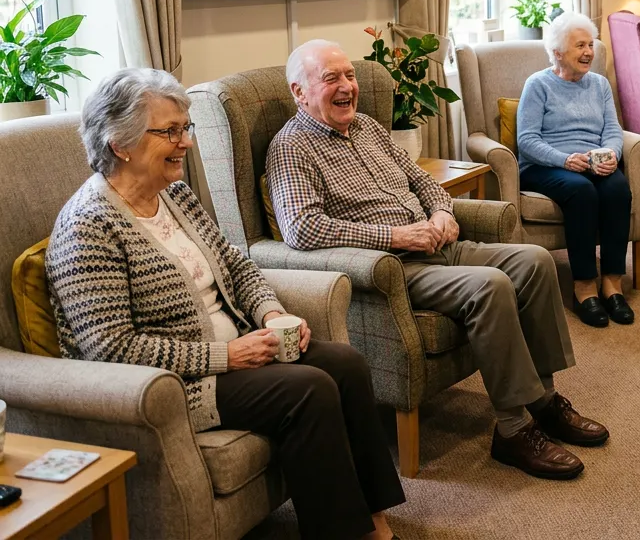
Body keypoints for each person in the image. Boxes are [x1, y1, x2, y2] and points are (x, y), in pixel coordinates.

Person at [45, 68, 403, 540]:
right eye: (170, 131)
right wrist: (226, 357)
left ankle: (375, 519)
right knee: (309, 389)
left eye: (184, 129)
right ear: (120, 144)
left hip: (239, 346)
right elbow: (111, 349)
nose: (185, 143)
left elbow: (236, 266)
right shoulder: (88, 226)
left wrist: (271, 313)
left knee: (347, 363)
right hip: (182, 384)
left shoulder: (173, 194)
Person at [266, 40, 607, 481]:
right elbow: (302, 228)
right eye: (332, 79)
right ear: (300, 91)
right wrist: (394, 235)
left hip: (441, 245)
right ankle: (513, 428)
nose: (348, 86)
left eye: (349, 75)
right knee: (491, 285)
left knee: (535, 261)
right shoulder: (292, 148)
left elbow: (423, 181)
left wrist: (442, 212)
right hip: (394, 268)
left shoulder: (368, 127)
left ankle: (543, 400)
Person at [518, 12, 634, 329]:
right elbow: (526, 140)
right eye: (579, 45)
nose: (588, 52)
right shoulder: (538, 84)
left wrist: (612, 152)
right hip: (544, 166)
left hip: (591, 162)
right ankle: (584, 288)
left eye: (590, 44)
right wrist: (564, 160)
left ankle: (612, 284)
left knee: (617, 189)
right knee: (580, 191)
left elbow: (613, 129)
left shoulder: (599, 84)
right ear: (557, 52)